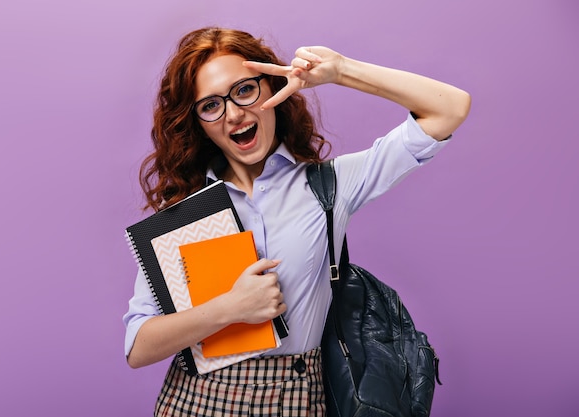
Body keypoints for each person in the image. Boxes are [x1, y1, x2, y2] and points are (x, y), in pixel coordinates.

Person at [123, 26, 471, 416]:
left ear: (272, 87)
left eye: (244, 90)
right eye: (210, 105)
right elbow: (138, 345)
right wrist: (229, 309)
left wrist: (341, 70)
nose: (235, 114)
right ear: (199, 123)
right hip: (197, 400)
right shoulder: (188, 212)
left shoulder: (330, 187)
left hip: (296, 397)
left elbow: (450, 108)